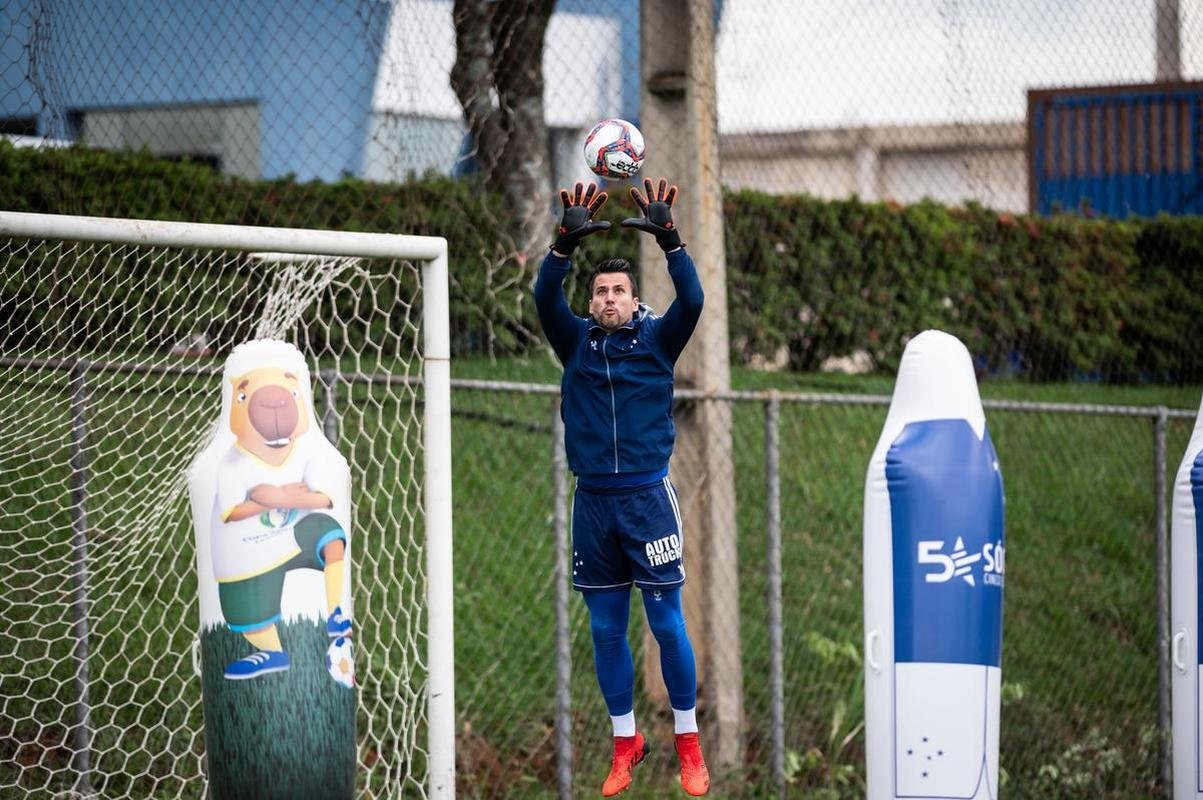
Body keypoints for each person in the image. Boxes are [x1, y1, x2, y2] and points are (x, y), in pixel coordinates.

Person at [534, 178, 710, 797]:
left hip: (647, 501)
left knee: (666, 623)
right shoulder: (575, 342)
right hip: (594, 505)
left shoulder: (658, 339)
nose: (609, 299)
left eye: (619, 292)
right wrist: (562, 248)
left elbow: (693, 298)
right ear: (592, 302)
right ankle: (625, 742)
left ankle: (687, 741)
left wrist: (670, 240)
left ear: (635, 301)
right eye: (601, 292)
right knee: (605, 629)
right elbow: (543, 296)